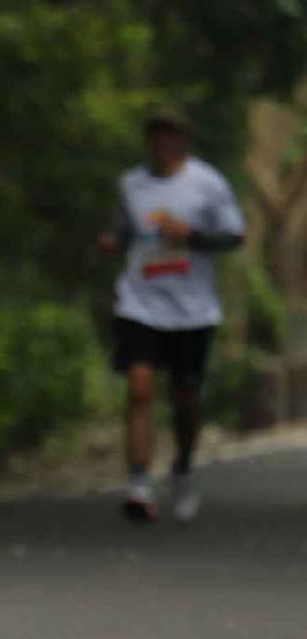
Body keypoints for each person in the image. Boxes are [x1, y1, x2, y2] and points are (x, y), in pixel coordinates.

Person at [98, 107, 246, 522]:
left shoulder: (207, 183)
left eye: (170, 136)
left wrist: (191, 236)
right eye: (155, 136)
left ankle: (182, 466)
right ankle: (140, 482)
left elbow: (234, 236)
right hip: (140, 302)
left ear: (184, 142)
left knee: (185, 397)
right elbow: (123, 230)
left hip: (192, 309)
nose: (161, 144)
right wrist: (112, 241)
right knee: (139, 387)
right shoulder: (132, 184)